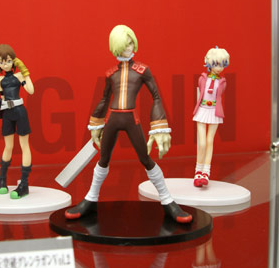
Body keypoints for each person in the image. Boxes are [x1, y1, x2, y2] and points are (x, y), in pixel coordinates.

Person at [65, 24, 192, 223]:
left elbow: (156, 96)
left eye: (131, 42)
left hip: (132, 119)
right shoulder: (111, 73)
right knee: (103, 159)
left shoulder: (142, 70)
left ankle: (168, 201)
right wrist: (95, 125)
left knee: (146, 159)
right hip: (112, 119)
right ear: (115, 47)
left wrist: (158, 127)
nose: (129, 47)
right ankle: (91, 199)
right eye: (124, 44)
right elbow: (104, 99)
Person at [0, 44, 34, 199]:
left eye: (8, 61)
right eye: (1, 62)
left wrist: (25, 73)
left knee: (24, 146)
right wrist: (1, 109)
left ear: (14, 61)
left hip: (20, 111)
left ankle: (24, 183)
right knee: (8, 146)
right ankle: (2, 180)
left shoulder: (19, 77)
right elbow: (3, 97)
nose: (5, 64)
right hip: (7, 113)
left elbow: (31, 91)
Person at [192, 47, 229, 187]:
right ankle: (198, 171)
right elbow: (201, 92)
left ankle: (206, 172)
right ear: (209, 63)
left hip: (214, 111)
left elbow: (219, 96)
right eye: (216, 64)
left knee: (209, 141)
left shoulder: (222, 82)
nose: (219, 68)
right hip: (202, 110)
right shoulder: (203, 79)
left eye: (222, 65)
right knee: (201, 143)